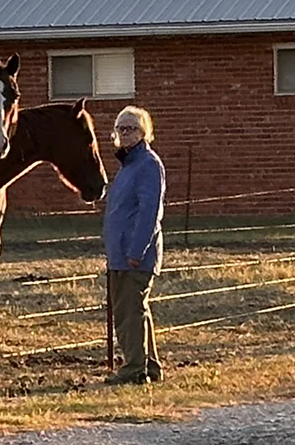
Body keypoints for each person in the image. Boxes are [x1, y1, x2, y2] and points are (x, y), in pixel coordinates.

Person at [102, 105, 164, 385]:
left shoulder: (148, 164)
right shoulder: (128, 166)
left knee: (129, 313)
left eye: (131, 128)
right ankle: (149, 365)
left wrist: (137, 251)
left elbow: (149, 212)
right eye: (120, 128)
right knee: (135, 309)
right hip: (120, 253)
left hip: (134, 255)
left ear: (144, 132)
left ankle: (133, 368)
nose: (124, 133)